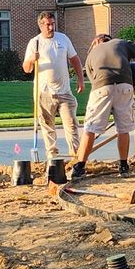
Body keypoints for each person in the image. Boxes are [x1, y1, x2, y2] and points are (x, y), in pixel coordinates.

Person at [74, 31, 135, 179]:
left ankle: (79, 166)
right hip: (124, 87)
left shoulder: (92, 54)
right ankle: (123, 166)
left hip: (102, 86)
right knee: (123, 129)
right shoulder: (121, 47)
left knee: (90, 128)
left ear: (95, 43)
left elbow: (94, 81)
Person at [20, 10, 82, 159]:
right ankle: (52, 156)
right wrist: (31, 60)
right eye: (47, 25)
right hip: (44, 92)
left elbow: (75, 60)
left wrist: (80, 79)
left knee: (72, 124)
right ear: (41, 25)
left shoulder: (63, 39)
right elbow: (27, 69)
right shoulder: (35, 42)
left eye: (52, 24)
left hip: (64, 91)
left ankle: (76, 155)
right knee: (48, 125)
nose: (51, 27)